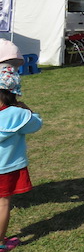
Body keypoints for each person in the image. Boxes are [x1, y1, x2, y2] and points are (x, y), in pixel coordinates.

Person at [0, 41, 42, 251]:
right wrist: (28, 110)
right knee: (3, 204)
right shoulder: (19, 114)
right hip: (6, 170)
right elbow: (36, 124)